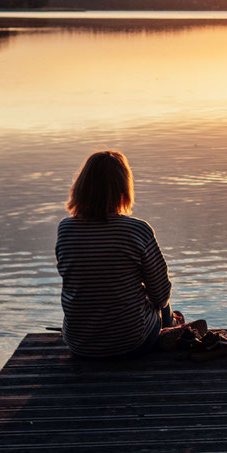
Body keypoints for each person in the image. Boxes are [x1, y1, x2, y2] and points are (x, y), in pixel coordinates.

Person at [54, 149, 174, 358]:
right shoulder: (137, 230)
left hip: (79, 344)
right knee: (164, 305)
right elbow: (160, 294)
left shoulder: (66, 229)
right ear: (123, 188)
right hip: (131, 343)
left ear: (81, 187)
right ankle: (171, 329)